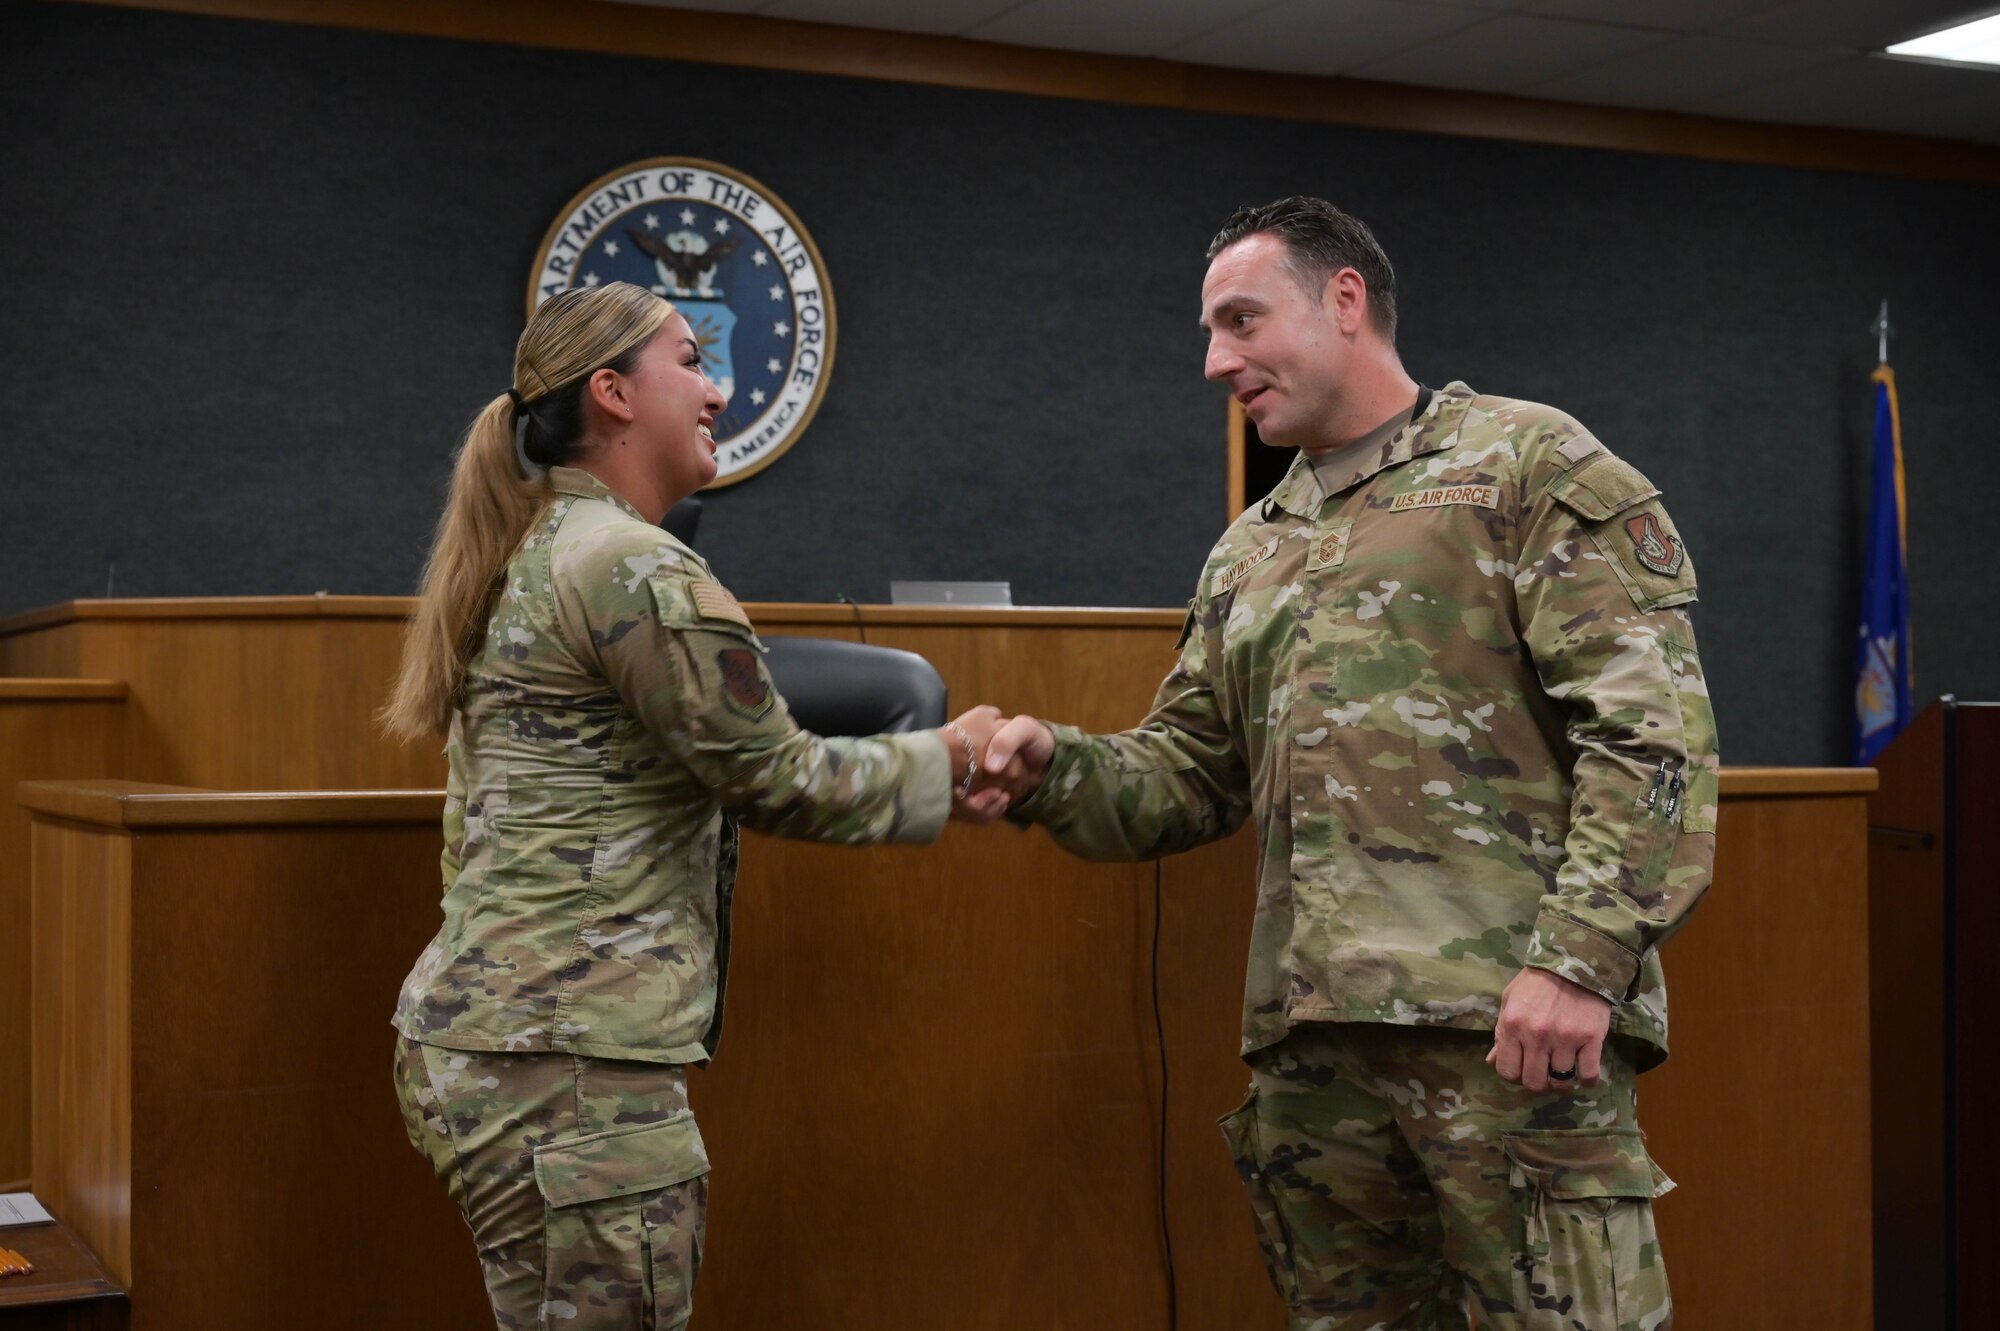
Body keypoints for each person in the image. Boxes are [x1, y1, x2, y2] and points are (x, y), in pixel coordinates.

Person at [976, 198, 1718, 1330]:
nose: (1217, 360)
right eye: (1208, 332)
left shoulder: (1522, 465)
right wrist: (1052, 773)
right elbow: (1189, 770)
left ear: (1343, 299)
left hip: (1505, 1040)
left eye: (1240, 320)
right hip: (1314, 1060)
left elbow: (1650, 731)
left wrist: (1580, 961)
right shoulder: (1253, 542)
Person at [381, 281, 1006, 1330]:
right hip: (573, 1068)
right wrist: (949, 760)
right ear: (613, 392)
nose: (715, 391)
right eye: (690, 362)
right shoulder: (630, 563)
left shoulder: (538, 550)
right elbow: (777, 779)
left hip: (504, 1045)